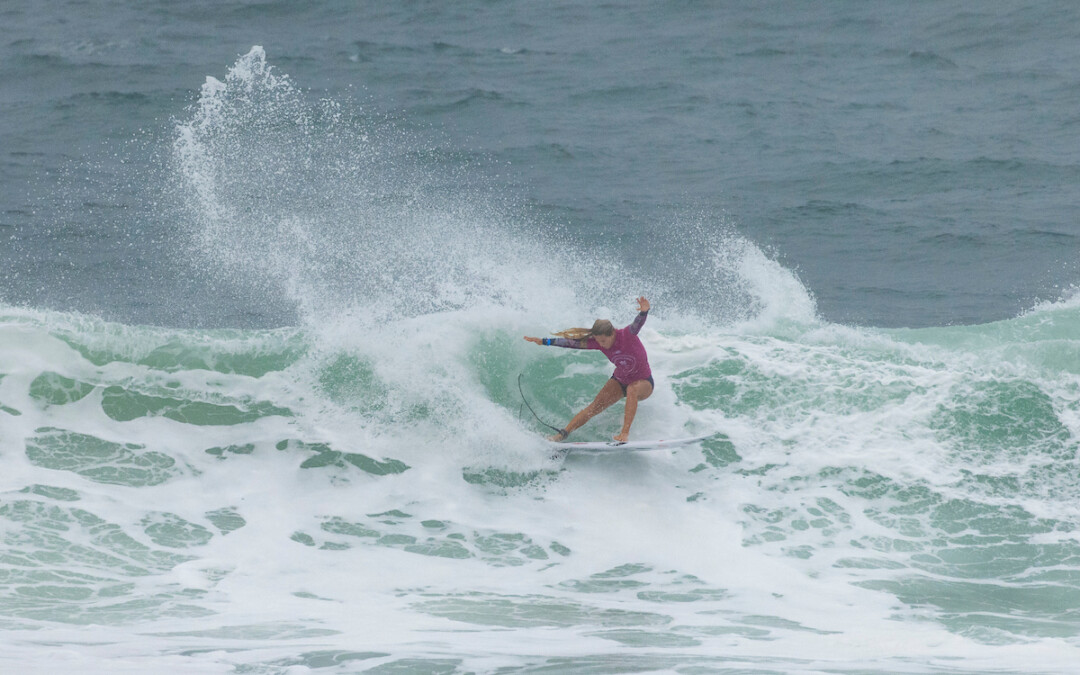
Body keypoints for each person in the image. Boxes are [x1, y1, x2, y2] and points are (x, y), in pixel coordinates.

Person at [524, 297, 653, 442]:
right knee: (593, 408)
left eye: (603, 341)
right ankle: (562, 435)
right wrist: (544, 341)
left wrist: (644, 312)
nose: (600, 344)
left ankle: (624, 434)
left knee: (632, 389)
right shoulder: (598, 342)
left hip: (644, 383)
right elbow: (570, 343)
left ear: (612, 334)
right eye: (597, 340)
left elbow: (637, 324)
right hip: (620, 380)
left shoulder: (627, 335)